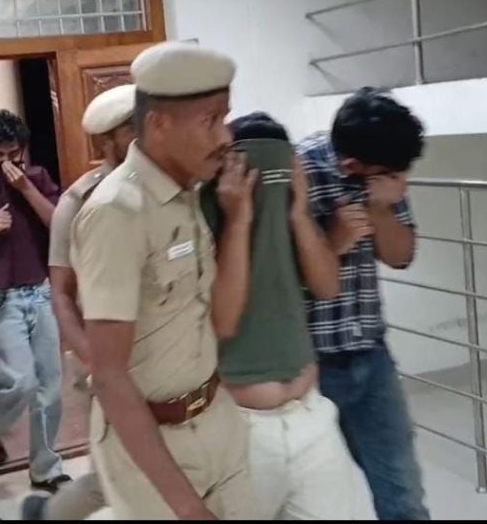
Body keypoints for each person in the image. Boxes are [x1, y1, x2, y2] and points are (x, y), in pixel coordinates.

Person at [69, 41, 254, 520]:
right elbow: (109, 376)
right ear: (158, 125)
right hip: (151, 447)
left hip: (215, 419)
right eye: (210, 120)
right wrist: (187, 508)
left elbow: (223, 323)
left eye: (225, 117)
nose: (226, 136)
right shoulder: (117, 212)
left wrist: (238, 221)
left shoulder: (188, 194)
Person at [200, 112, 374, 520]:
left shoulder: (293, 212)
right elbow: (224, 320)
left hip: (309, 413)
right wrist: (238, 220)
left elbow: (327, 285)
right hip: (241, 424)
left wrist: (298, 212)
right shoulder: (207, 211)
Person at [297, 87, 429, 520]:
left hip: (371, 357)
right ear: (352, 164)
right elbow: (275, 284)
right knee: (316, 500)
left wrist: (382, 209)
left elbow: (401, 256)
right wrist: (332, 242)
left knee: (402, 492)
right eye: (390, 172)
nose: (398, 178)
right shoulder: (298, 173)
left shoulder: (384, 174)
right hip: (307, 368)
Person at [21, 83, 136, 521]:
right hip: (106, 357)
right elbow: (62, 294)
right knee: (115, 474)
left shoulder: (173, 187)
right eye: (132, 129)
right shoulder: (78, 201)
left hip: (165, 353)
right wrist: (93, 360)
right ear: (106, 141)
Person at [0, 109, 69, 493]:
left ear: (23, 148)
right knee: (19, 381)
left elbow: (59, 224)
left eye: (13, 153)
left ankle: (46, 469)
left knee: (50, 387)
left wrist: (26, 189)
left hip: (40, 291)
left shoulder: (37, 178)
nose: (7, 162)